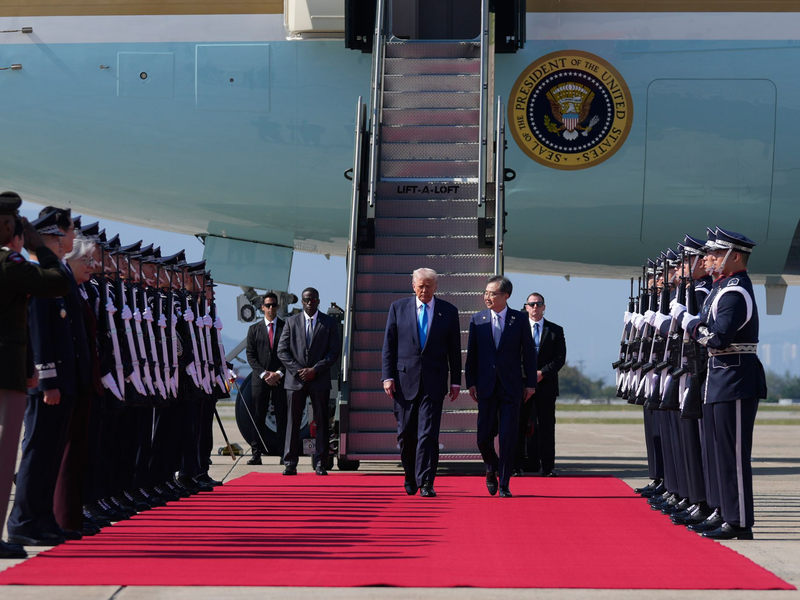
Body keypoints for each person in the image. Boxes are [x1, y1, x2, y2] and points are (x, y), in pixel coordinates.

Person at [675, 227, 767, 540]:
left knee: (733, 454)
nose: (710, 258)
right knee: (716, 452)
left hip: (736, 379)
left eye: (717, 253)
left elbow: (717, 336)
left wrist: (690, 324)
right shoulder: (723, 287)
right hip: (719, 377)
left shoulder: (735, 291)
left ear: (735, 256)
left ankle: (739, 520)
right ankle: (722, 511)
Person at [7, 209, 92, 546]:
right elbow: (39, 330)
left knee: (51, 454)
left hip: (64, 380)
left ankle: (41, 517)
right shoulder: (39, 271)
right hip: (49, 383)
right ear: (57, 236)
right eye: (70, 232)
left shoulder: (57, 271)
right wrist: (48, 380)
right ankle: (23, 520)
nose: (73, 238)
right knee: (38, 451)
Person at [0, 194, 71, 558]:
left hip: (16, 371)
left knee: (25, 452)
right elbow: (56, 282)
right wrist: (40, 248)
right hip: (8, 373)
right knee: (13, 454)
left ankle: (32, 519)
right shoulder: (11, 264)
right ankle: (20, 523)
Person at [381, 268, 461, 497]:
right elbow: (389, 345)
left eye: (429, 286)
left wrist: (456, 381)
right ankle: (410, 475)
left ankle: (426, 481)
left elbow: (454, 350)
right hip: (403, 380)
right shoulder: (398, 308)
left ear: (436, 287)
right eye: (421, 286)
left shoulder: (448, 311)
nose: (424, 290)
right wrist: (387, 377)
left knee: (428, 433)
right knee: (406, 434)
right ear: (413, 286)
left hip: (434, 381)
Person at [465, 275, 537, 498]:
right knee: (483, 437)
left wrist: (531, 384)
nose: (487, 297)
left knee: (507, 436)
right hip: (486, 386)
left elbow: (529, 354)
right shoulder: (478, 320)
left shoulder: (519, 319)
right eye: (486, 293)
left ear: (506, 296)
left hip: (511, 386)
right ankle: (492, 467)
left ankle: (504, 483)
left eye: (492, 293)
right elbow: (472, 356)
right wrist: (471, 383)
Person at [277, 287, 340, 475]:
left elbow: (334, 351)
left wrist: (315, 370)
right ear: (302, 302)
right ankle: (290, 463)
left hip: (318, 379)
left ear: (318, 301)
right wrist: (298, 371)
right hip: (295, 380)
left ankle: (320, 463)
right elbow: (282, 350)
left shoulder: (328, 323)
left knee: (321, 421)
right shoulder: (291, 322)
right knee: (293, 422)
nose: (309, 303)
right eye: (306, 300)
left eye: (313, 299)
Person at [516, 292, 566, 477]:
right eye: (532, 304)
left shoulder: (555, 330)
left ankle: (548, 467)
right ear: (526, 307)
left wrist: (542, 373)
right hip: (522, 385)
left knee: (546, 427)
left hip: (546, 386)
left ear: (544, 307)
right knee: (519, 425)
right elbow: (513, 356)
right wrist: (528, 375)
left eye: (539, 304)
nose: (535, 307)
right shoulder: (518, 329)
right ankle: (517, 466)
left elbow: (560, 358)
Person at [246, 292, 286, 465]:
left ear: (277, 307)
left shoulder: (286, 327)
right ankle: (256, 454)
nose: (271, 308)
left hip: (280, 379)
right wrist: (264, 374)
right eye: (268, 305)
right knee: (258, 417)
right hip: (260, 380)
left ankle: (284, 454)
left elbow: (291, 353)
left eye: (273, 305)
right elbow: (251, 355)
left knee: (282, 417)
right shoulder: (254, 329)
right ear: (262, 307)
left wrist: (278, 373)